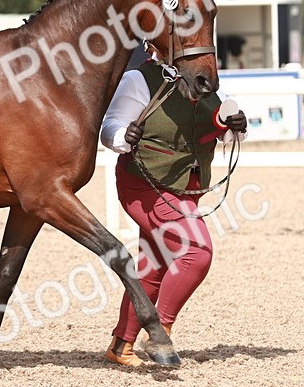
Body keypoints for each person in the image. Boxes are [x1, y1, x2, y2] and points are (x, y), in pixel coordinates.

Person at [99, 46, 248, 367]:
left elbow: (212, 127)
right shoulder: (139, 79)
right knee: (196, 252)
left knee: (155, 264)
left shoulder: (203, 79)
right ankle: (160, 332)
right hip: (145, 183)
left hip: (188, 186)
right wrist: (126, 134)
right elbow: (109, 129)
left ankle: (121, 345)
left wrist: (233, 125)